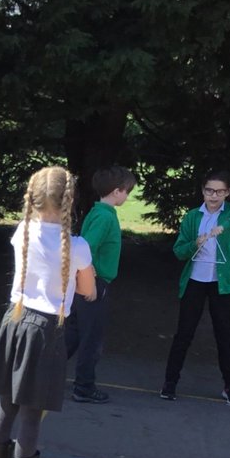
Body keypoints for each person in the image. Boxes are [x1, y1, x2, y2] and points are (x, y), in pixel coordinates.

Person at [0, 166, 97, 458]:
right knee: (32, 412)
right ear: (69, 200)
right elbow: (88, 289)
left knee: (6, 404)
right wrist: (86, 284)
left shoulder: (23, 231)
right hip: (46, 329)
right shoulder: (77, 245)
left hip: (14, 321)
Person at [160, 170, 230, 406]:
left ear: (228, 192)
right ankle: (169, 382)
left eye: (219, 191)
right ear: (202, 191)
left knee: (224, 335)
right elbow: (179, 251)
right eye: (209, 190)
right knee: (184, 333)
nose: (213, 196)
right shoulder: (193, 216)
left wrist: (226, 225)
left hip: (223, 285)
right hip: (195, 281)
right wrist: (193, 244)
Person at [64, 166, 136, 403]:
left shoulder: (98, 212)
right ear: (117, 191)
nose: (127, 196)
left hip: (86, 282)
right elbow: (87, 247)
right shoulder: (105, 217)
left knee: (74, 333)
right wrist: (91, 277)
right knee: (91, 338)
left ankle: (45, 373)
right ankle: (84, 387)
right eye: (127, 191)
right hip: (94, 284)